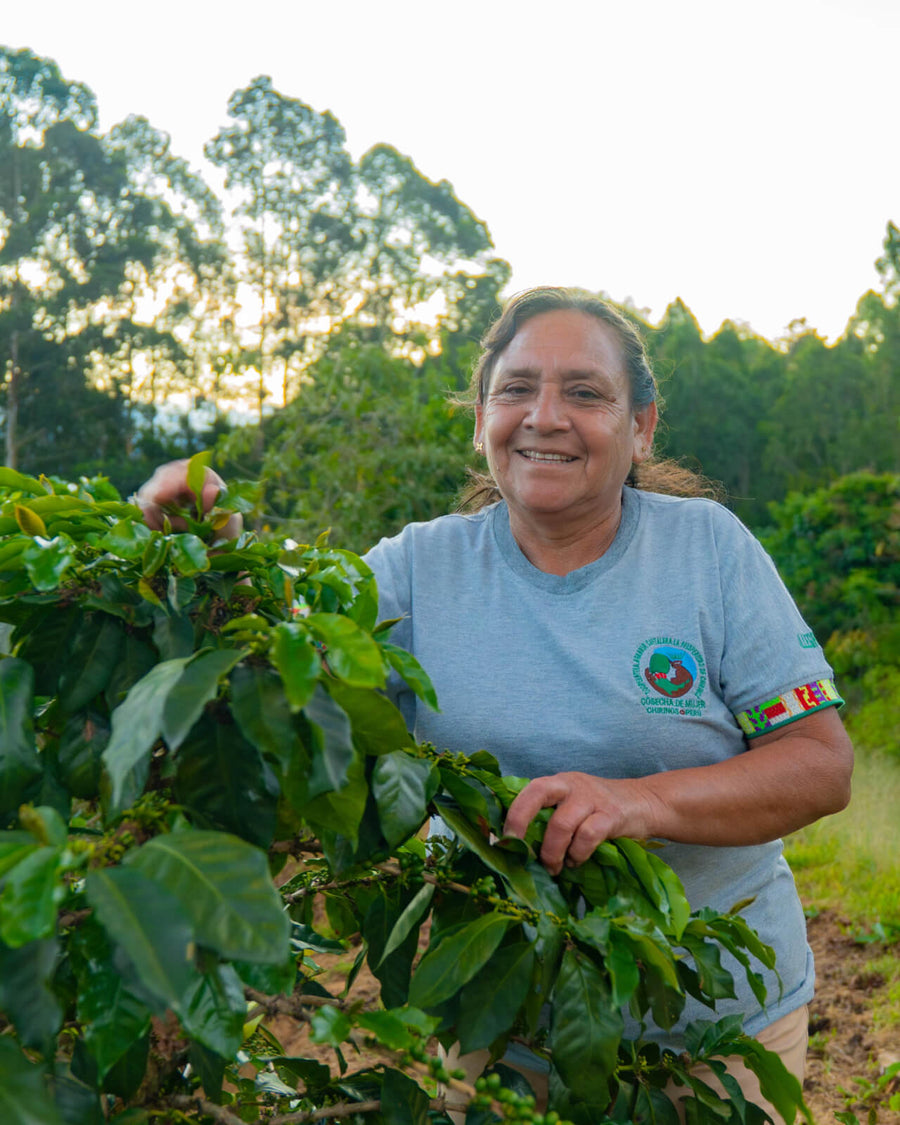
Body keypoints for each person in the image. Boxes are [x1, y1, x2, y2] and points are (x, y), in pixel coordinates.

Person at [137, 287, 853, 1122]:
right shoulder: (416, 569)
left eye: (585, 392)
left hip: (713, 1030)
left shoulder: (708, 552)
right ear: (481, 418)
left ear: (642, 427)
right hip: (504, 1029)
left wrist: (637, 801)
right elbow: (286, 659)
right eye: (516, 389)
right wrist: (216, 562)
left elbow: (822, 763)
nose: (545, 416)